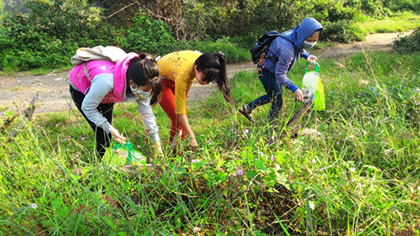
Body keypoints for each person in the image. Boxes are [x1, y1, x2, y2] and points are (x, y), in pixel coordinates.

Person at [69, 49, 163, 159]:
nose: (147, 93)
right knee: (103, 132)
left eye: (149, 90)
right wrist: (111, 129)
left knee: (106, 129)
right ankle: (100, 164)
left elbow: (147, 115)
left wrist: (157, 145)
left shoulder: (144, 84)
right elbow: (88, 108)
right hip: (82, 87)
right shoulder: (106, 81)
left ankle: (105, 158)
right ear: (132, 83)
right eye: (146, 90)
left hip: (107, 92)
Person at [239, 17, 323, 123]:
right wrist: (294, 88)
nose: (312, 43)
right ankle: (270, 126)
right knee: (277, 101)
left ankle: (246, 109)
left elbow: (299, 46)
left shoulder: (295, 34)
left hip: (270, 68)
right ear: (303, 35)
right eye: (309, 40)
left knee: (272, 96)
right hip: (267, 73)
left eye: (315, 40)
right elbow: (280, 74)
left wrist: (307, 55)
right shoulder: (287, 51)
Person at [157, 50, 231, 150]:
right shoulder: (183, 74)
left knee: (182, 116)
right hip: (159, 79)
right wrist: (192, 136)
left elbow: (183, 102)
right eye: (204, 79)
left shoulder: (205, 62)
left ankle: (179, 151)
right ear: (196, 69)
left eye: (209, 81)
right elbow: (180, 111)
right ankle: (174, 156)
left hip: (174, 75)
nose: (205, 83)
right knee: (177, 118)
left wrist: (182, 109)